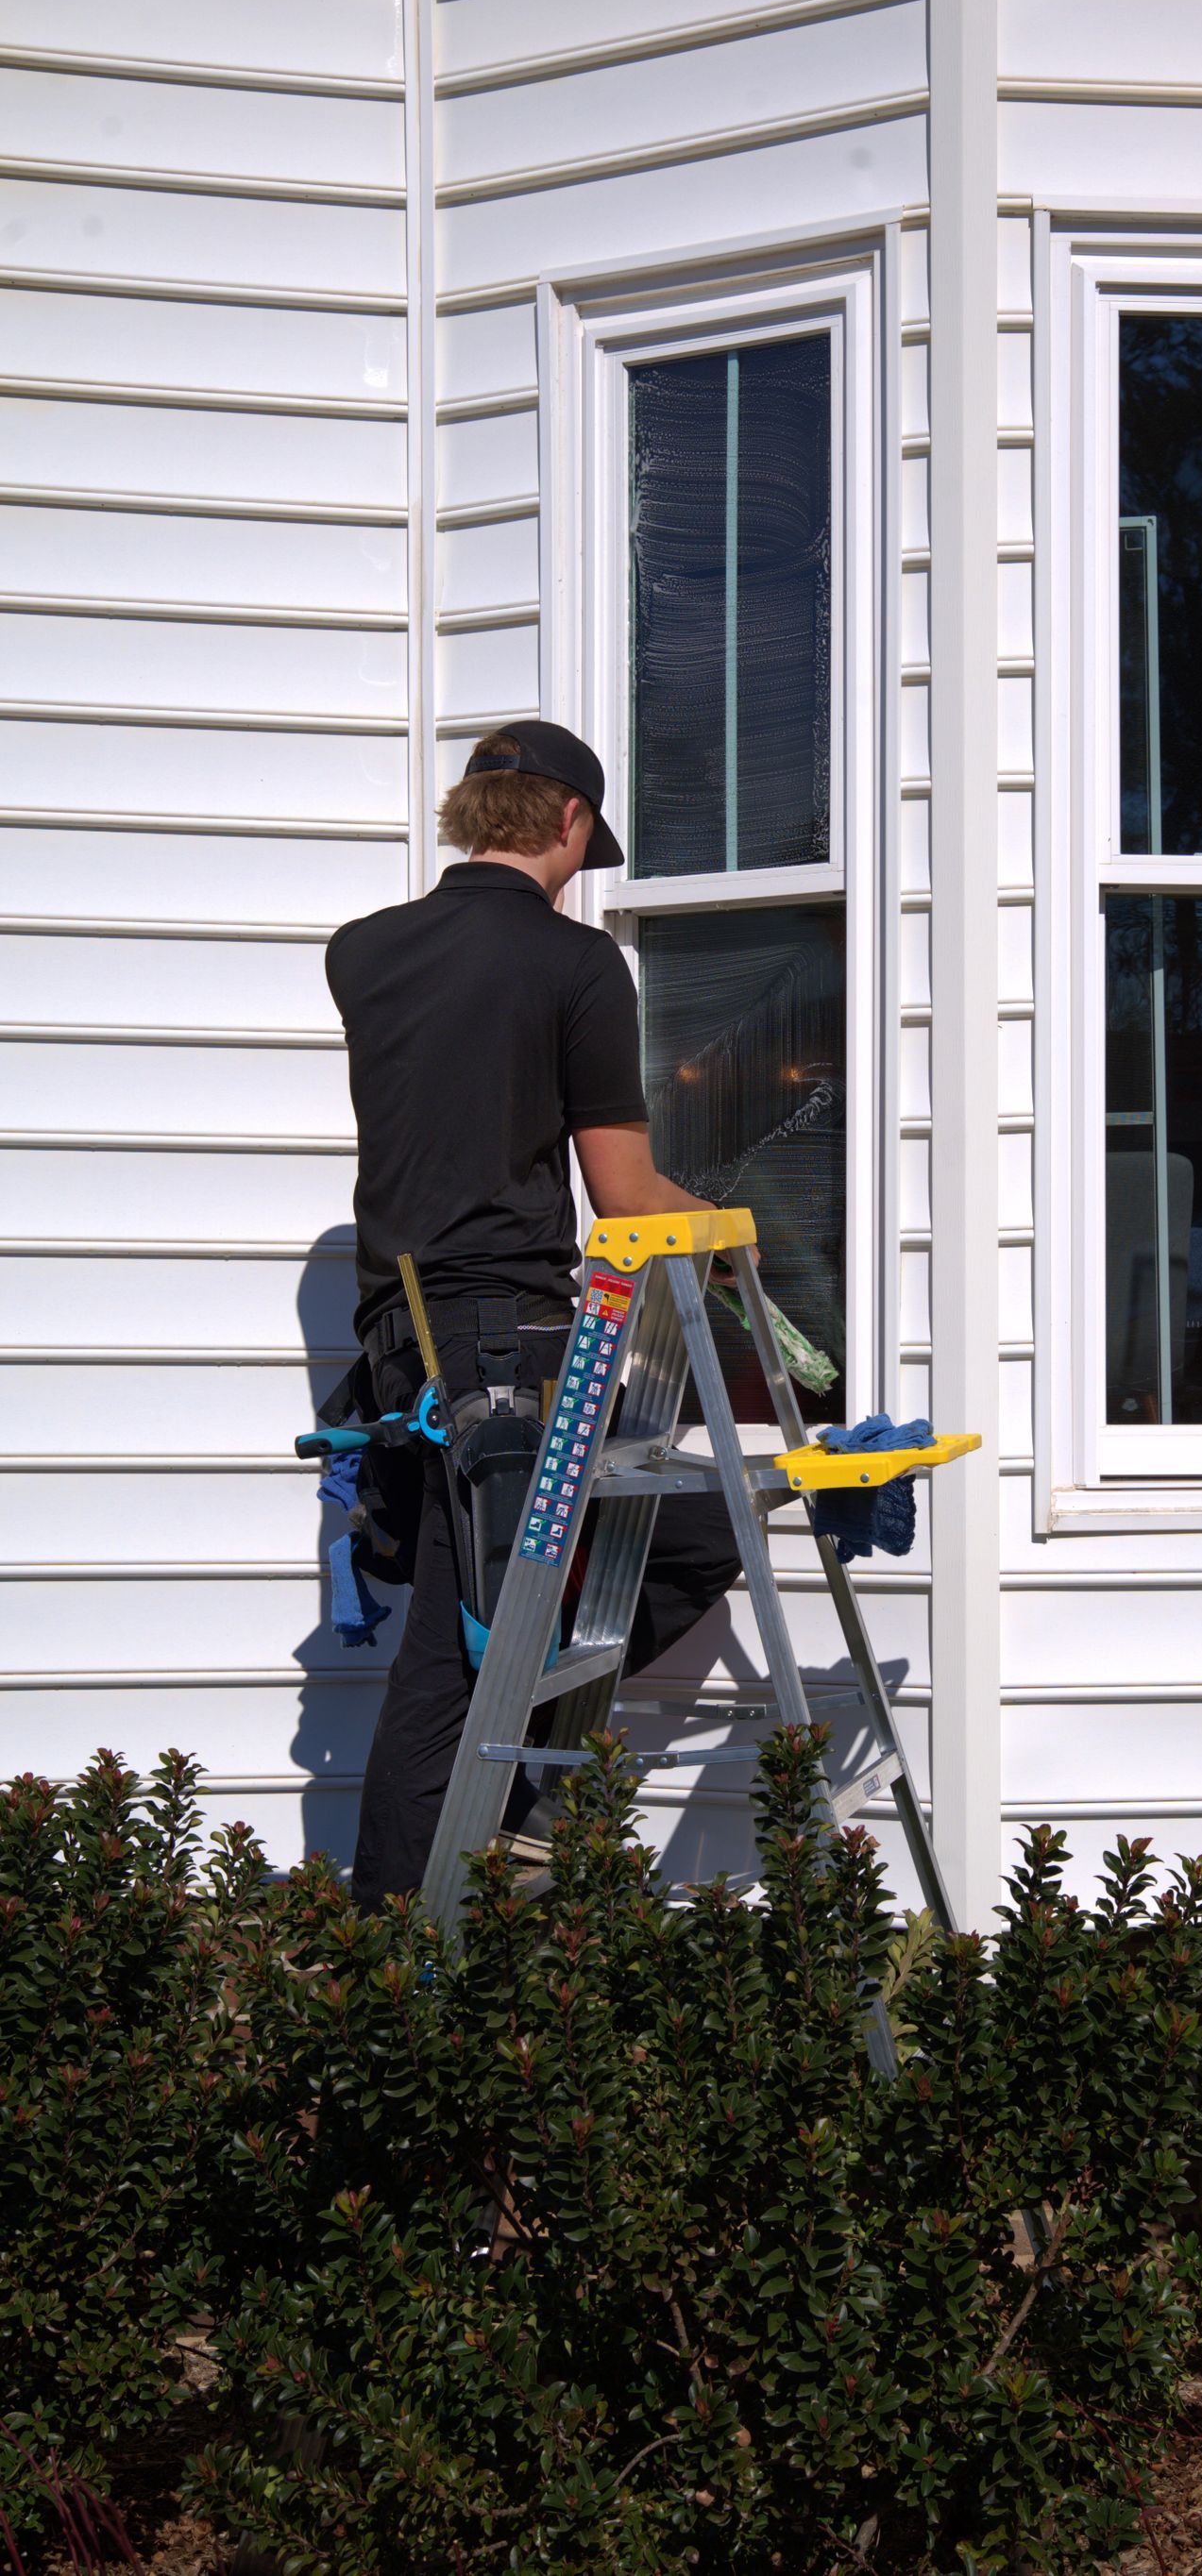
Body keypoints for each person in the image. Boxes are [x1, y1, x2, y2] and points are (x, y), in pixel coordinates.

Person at [326, 719, 742, 1905]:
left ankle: (497, 1825)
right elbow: (621, 1193)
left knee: (550, 1593)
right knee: (464, 1653)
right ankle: (400, 1936)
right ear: (570, 823)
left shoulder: (361, 952)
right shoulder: (575, 965)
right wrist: (728, 1232)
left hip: (403, 1342)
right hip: (515, 1348)